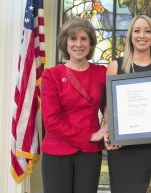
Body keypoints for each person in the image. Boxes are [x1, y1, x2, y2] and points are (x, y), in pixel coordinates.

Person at [105, 15, 151, 193]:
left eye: (147, 31)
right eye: (137, 30)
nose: (141, 35)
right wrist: (107, 131)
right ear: (130, 35)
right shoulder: (115, 66)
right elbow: (109, 107)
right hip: (122, 149)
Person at [41, 17, 108, 193]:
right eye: (73, 39)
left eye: (84, 39)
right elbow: (51, 121)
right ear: (65, 42)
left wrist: (109, 128)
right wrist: (89, 136)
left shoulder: (101, 73)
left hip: (89, 153)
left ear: (91, 43)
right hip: (57, 151)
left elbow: (112, 107)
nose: (79, 44)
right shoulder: (52, 75)